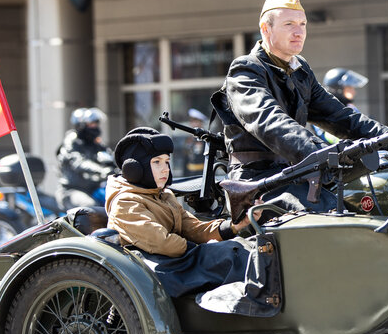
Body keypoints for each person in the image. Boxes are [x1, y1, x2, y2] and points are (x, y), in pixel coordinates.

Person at [211, 0, 388, 215]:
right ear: (265, 29)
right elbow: (270, 121)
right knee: (334, 218)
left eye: (303, 24)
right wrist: (322, 152)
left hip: (296, 173)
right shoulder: (246, 70)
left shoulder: (300, 70)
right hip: (257, 181)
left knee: (371, 198)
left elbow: (338, 115)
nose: (299, 31)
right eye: (289, 24)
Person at [104, 127, 276, 316]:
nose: (165, 169)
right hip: (157, 271)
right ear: (134, 170)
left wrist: (235, 226)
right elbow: (160, 241)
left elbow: (194, 228)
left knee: (250, 247)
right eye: (156, 162)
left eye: (167, 162)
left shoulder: (163, 195)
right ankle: (257, 314)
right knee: (230, 254)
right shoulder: (125, 201)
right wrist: (202, 249)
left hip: (175, 262)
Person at [56, 107, 116, 210]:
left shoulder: (95, 142)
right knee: (92, 208)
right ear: (81, 126)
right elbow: (78, 162)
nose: (95, 127)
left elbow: (109, 156)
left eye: (96, 123)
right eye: (91, 124)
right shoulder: (72, 141)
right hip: (72, 191)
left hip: (94, 188)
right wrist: (102, 170)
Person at [180, 108, 208, 176]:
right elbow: (185, 159)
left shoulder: (205, 139)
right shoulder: (188, 140)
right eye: (192, 122)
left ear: (201, 123)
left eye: (196, 122)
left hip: (202, 173)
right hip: (190, 173)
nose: (194, 124)